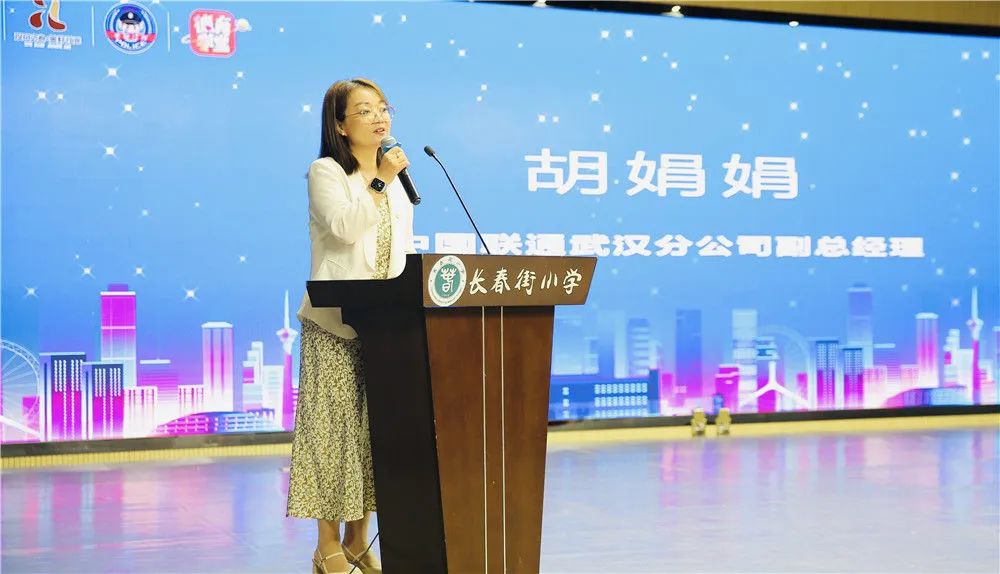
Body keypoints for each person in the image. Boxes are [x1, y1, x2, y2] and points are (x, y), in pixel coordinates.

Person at [287, 78, 414, 574]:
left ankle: (359, 540)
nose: (379, 117)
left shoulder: (395, 176)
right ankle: (327, 546)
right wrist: (379, 180)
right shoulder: (327, 172)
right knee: (332, 433)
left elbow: (400, 247)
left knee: (372, 433)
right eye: (365, 110)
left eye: (383, 108)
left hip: (386, 325)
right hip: (335, 325)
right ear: (340, 125)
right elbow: (344, 228)